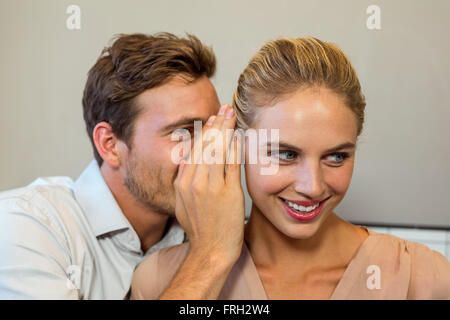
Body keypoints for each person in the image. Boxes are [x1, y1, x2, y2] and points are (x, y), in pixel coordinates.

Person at [131, 37, 450, 299]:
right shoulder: (163, 278)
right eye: (285, 154)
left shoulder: (423, 279)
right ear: (235, 148)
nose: (312, 186)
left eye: (337, 157)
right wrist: (210, 259)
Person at [0, 32, 230, 299]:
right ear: (110, 145)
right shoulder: (25, 226)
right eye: (184, 132)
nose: (212, 151)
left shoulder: (217, 222)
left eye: (214, 130)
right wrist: (210, 255)